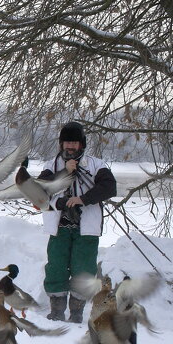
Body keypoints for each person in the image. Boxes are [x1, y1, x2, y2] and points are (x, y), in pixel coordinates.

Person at [38, 121, 116, 323]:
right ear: (61, 144)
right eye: (67, 142)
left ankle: (76, 313)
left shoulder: (96, 165)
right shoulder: (51, 165)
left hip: (86, 229)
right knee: (56, 267)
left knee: (84, 270)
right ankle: (56, 312)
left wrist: (82, 199)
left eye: (74, 143)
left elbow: (109, 187)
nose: (70, 146)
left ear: (81, 144)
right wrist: (64, 174)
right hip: (59, 228)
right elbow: (39, 190)